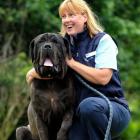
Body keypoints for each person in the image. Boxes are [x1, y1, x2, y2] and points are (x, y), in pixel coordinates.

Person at [26, 0, 131, 139]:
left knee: (90, 107)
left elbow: (103, 78)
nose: (67, 20)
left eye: (71, 15)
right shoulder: (61, 43)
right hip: (79, 114)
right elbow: (32, 75)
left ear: (85, 17)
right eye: (63, 16)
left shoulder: (103, 41)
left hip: (111, 107)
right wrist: (34, 73)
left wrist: (72, 63)